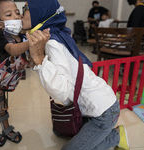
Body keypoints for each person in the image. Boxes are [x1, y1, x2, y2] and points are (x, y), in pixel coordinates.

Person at [22, 0, 129, 150]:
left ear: (40, 11)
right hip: (103, 103)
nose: (21, 14)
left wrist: (40, 60)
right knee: (59, 132)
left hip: (103, 113)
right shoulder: (56, 33)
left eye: (25, 8)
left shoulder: (52, 42)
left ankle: (116, 136)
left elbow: (63, 92)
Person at [0, 0, 49, 147]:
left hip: (1, 85)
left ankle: (6, 129)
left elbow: (29, 59)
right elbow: (13, 50)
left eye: (17, 13)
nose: (16, 17)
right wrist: (32, 42)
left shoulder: (22, 37)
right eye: (9, 15)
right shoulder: (4, 36)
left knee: (2, 108)